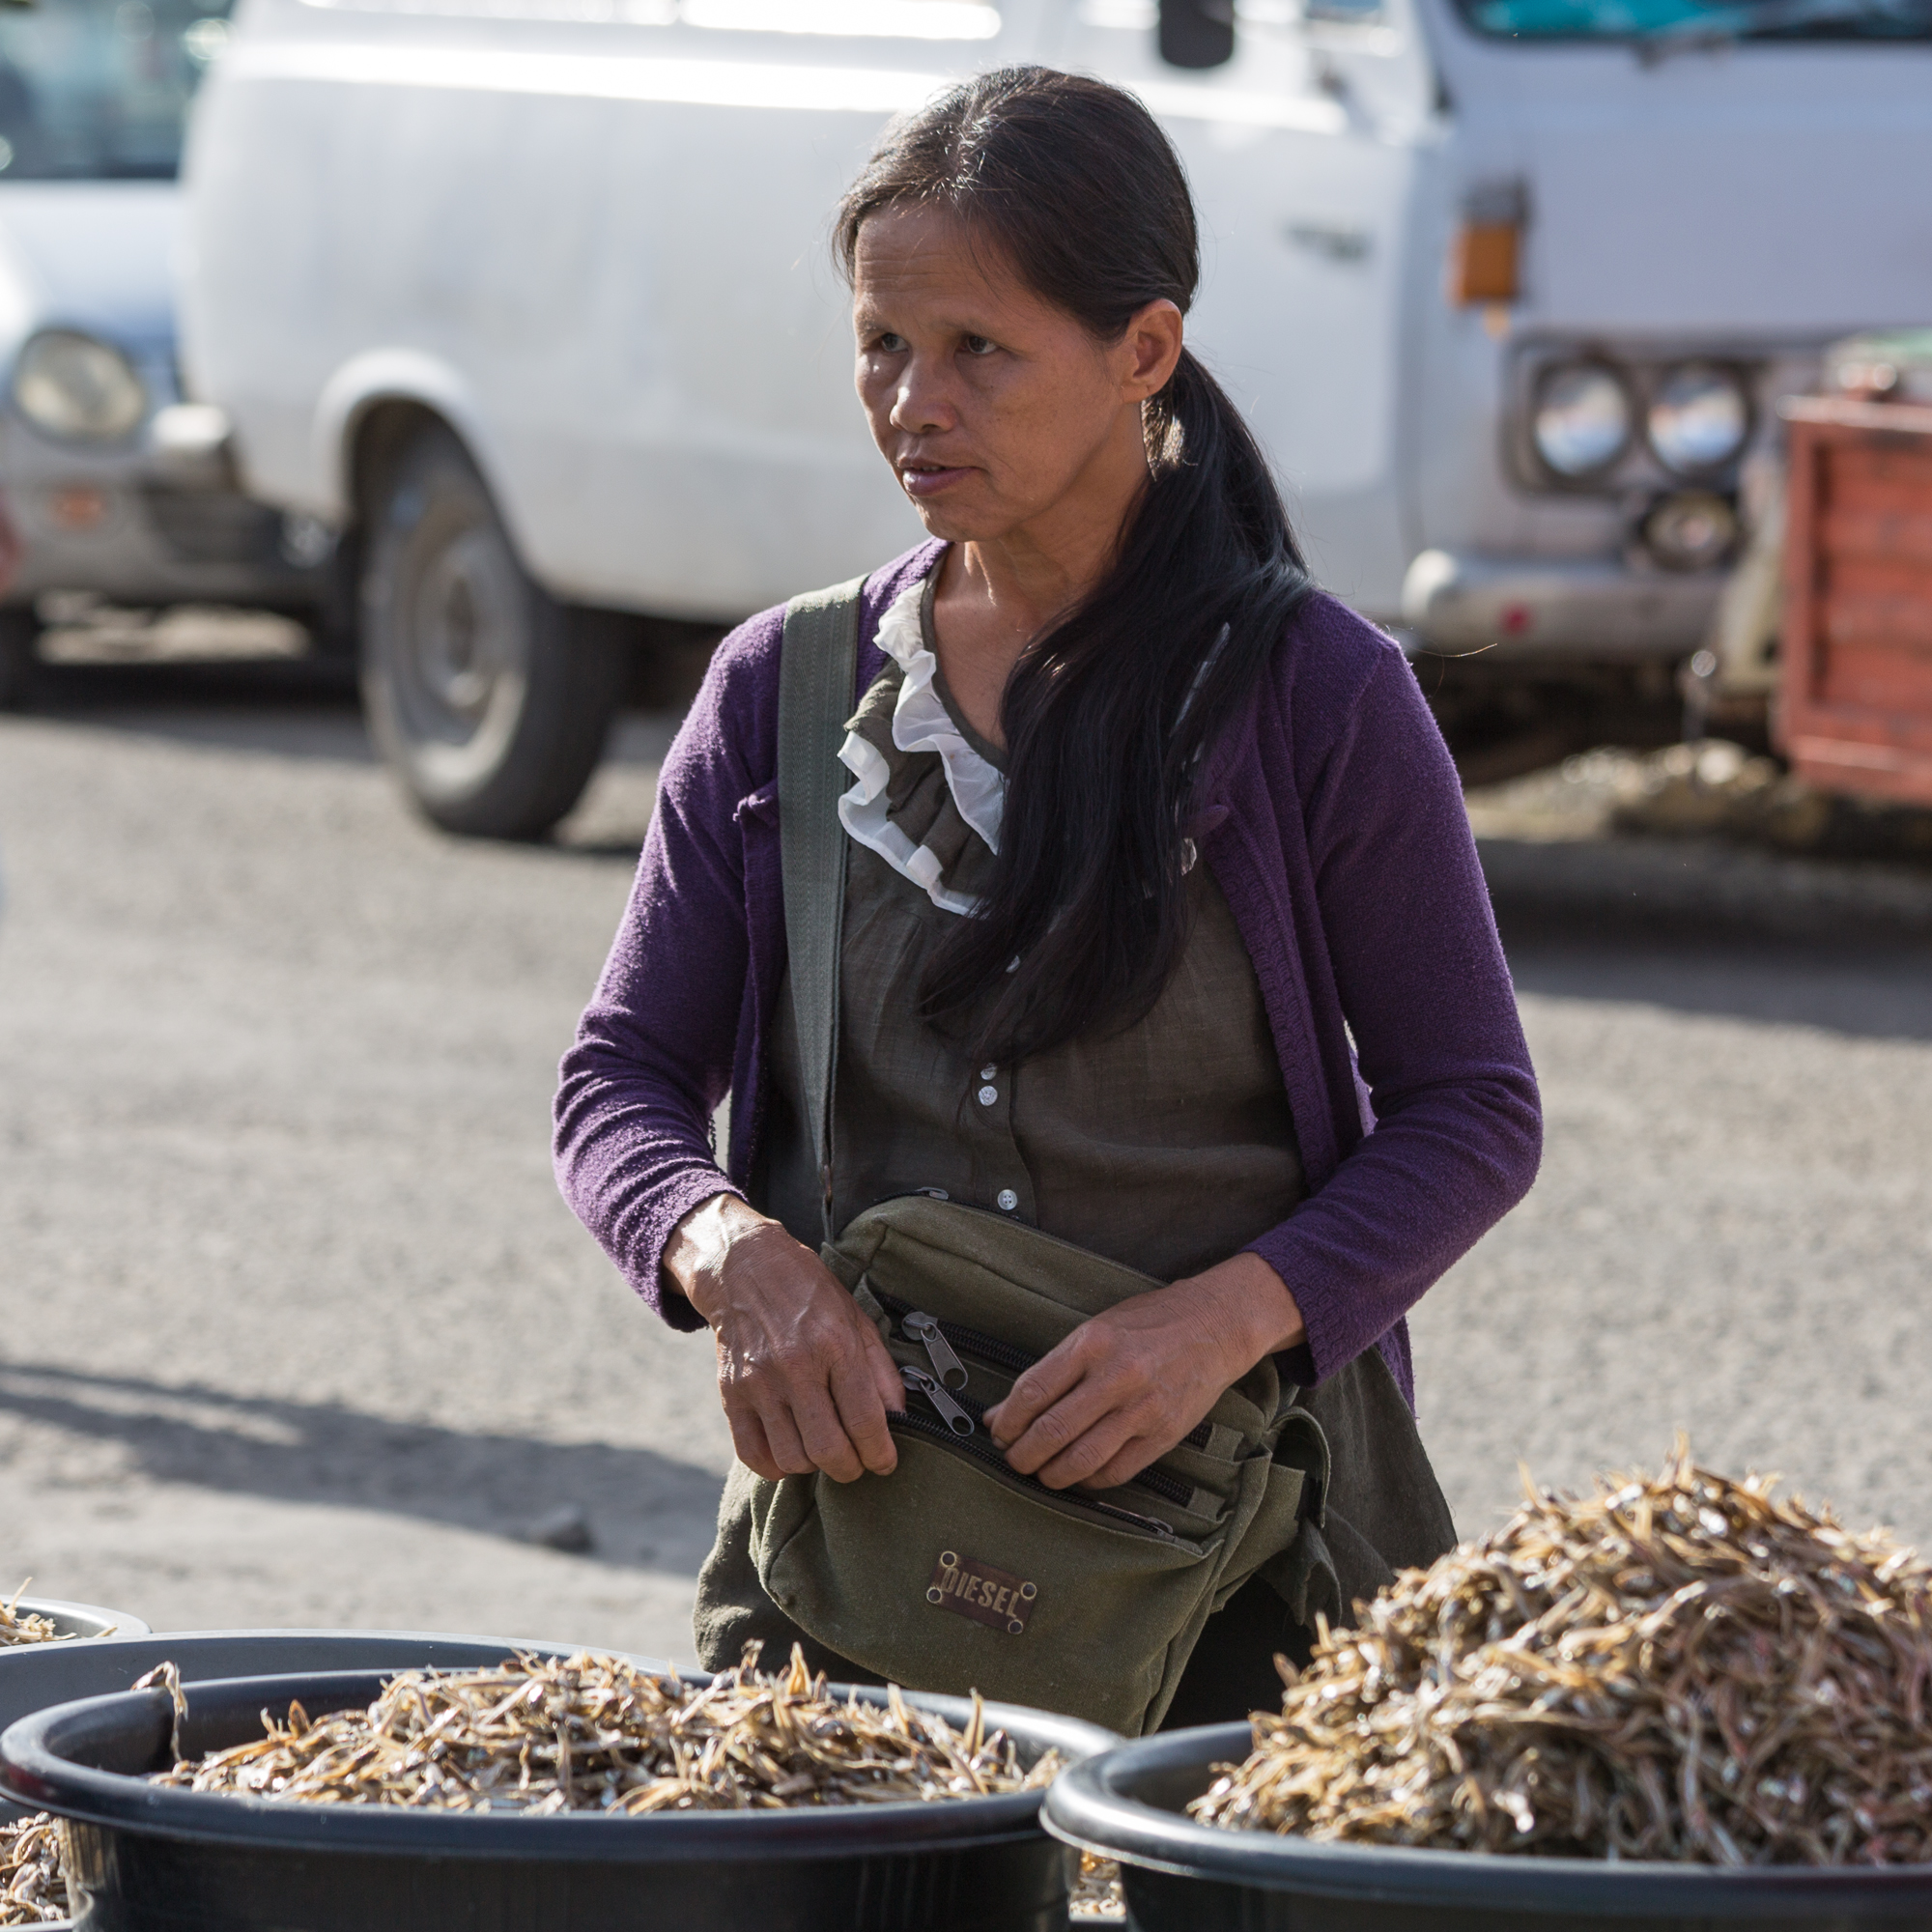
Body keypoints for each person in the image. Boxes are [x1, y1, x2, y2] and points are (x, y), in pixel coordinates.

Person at [555, 67, 1542, 1725]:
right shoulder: (781, 698)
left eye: (978, 352)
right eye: (881, 343)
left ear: (1142, 351)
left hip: (1240, 1573)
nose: (909, 403)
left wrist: (1223, 1324)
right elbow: (619, 1081)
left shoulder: (1315, 696)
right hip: (857, 1568)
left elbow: (1472, 1111)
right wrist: (731, 1254)